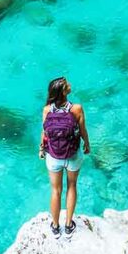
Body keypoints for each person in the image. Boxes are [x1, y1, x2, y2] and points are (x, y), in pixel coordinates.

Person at [39, 76, 90, 238]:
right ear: (63, 91)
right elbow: (83, 130)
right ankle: (68, 226)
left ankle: (55, 227)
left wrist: (42, 148)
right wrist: (87, 144)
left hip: (53, 156)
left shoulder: (47, 109)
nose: (70, 84)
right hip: (73, 155)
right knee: (72, 186)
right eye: (67, 83)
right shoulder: (76, 109)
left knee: (55, 190)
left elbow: (45, 131)